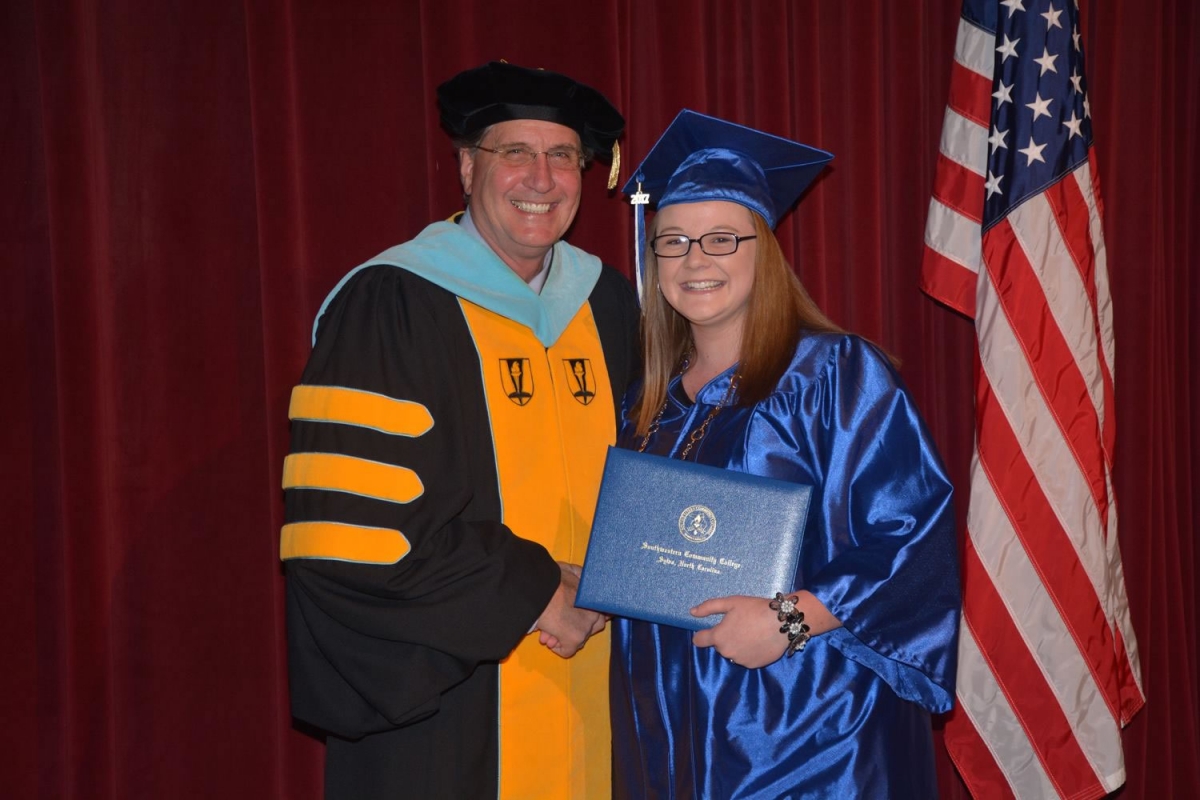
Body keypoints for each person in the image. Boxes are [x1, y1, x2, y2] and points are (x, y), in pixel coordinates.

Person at [280, 61, 640, 799]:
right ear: (469, 166)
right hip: (452, 707)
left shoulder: (608, 302)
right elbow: (354, 528)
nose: (541, 178)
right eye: (515, 153)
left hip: (607, 684)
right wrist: (538, 592)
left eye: (563, 156)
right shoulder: (394, 302)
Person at [608, 110, 961, 799]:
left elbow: (912, 529)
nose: (694, 261)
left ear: (763, 249)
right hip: (669, 723)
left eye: (720, 238)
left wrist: (791, 618)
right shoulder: (646, 408)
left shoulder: (833, 374)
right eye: (672, 242)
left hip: (806, 726)